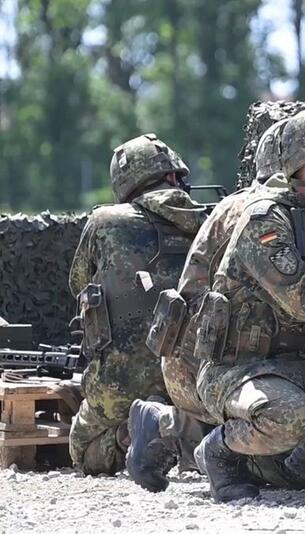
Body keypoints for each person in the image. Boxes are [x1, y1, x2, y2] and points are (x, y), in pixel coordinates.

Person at [191, 106, 305, 503]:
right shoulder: (265, 219)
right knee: (289, 417)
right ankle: (219, 451)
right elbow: (304, 301)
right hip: (241, 370)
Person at [125, 119, 293, 492]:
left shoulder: (248, 204)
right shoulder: (263, 211)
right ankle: (169, 426)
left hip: (211, 354)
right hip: (203, 362)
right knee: (274, 452)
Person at [68, 134, 207, 475]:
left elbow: (78, 285)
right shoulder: (209, 223)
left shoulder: (105, 223)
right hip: (193, 382)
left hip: (119, 381)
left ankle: (127, 435)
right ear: (175, 176)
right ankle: (167, 425)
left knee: (83, 451)